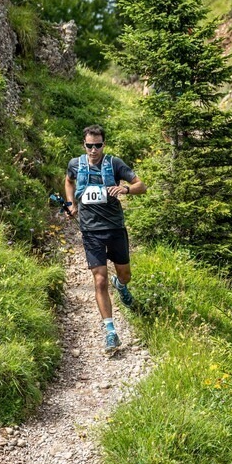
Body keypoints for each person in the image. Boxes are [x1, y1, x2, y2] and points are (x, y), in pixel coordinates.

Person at [64, 124, 146, 353]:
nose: (93, 150)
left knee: (125, 274)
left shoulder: (114, 164)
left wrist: (126, 190)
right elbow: (69, 181)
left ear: (103, 144)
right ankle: (110, 331)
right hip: (90, 231)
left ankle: (120, 285)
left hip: (115, 228)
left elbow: (142, 185)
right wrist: (70, 203)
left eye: (97, 145)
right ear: (84, 145)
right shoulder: (75, 164)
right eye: (89, 145)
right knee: (99, 279)